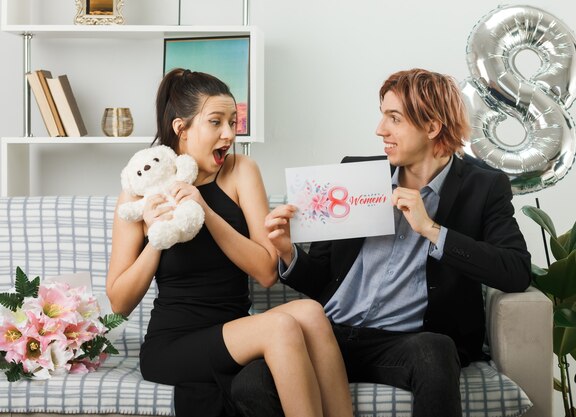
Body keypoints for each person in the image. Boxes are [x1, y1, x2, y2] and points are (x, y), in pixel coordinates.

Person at [252, 68, 532, 417]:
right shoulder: (355, 175)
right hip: (331, 334)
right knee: (249, 383)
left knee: (434, 352)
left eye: (394, 118)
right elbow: (323, 278)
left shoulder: (484, 187)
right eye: (382, 115)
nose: (380, 129)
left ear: (432, 127)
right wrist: (287, 251)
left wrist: (431, 229)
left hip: (407, 343)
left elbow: (516, 271)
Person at [106, 68, 354, 417]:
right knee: (280, 325)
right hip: (175, 343)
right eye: (216, 122)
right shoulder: (138, 189)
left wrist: (204, 210)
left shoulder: (241, 170)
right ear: (182, 128)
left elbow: (267, 271)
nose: (229, 134)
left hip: (234, 329)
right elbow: (119, 302)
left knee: (311, 313)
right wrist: (156, 238)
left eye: (233, 122)